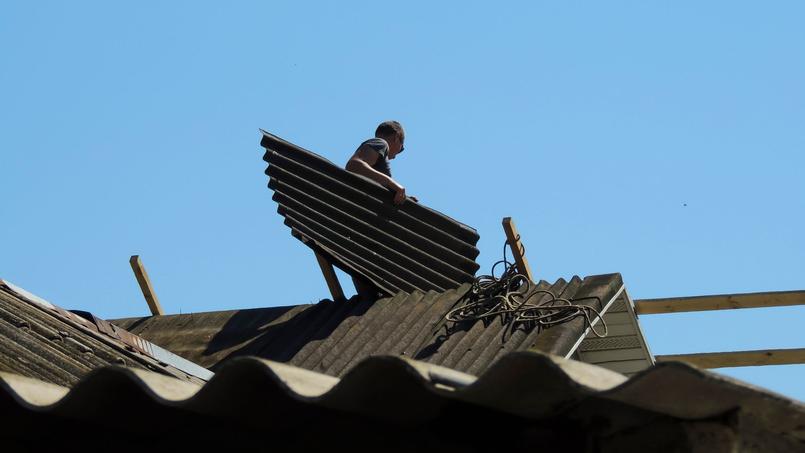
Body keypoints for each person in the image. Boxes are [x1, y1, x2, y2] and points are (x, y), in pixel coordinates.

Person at [346, 120, 415, 204]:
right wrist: (394, 184)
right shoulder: (381, 143)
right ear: (396, 138)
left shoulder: (379, 148)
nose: (395, 157)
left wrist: (404, 197)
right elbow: (354, 165)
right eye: (401, 148)